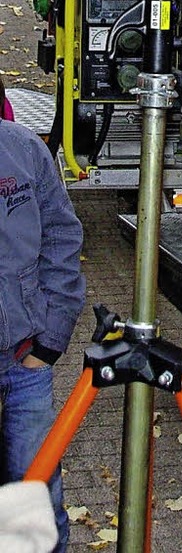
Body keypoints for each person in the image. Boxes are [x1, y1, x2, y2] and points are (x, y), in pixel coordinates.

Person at [0, 78, 85, 553]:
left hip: (23, 359)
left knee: (30, 495)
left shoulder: (23, 151)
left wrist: (50, 339)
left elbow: (61, 239)